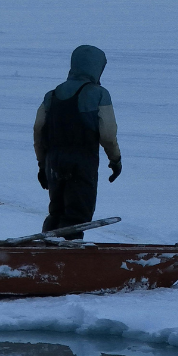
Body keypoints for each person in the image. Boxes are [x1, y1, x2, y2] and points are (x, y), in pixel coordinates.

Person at [33, 45, 122, 238]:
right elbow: (107, 135)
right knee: (76, 217)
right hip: (81, 162)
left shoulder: (52, 95)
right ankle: (68, 259)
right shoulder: (99, 94)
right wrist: (115, 159)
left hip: (53, 162)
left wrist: (42, 165)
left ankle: (46, 254)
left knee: (56, 213)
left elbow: (38, 130)